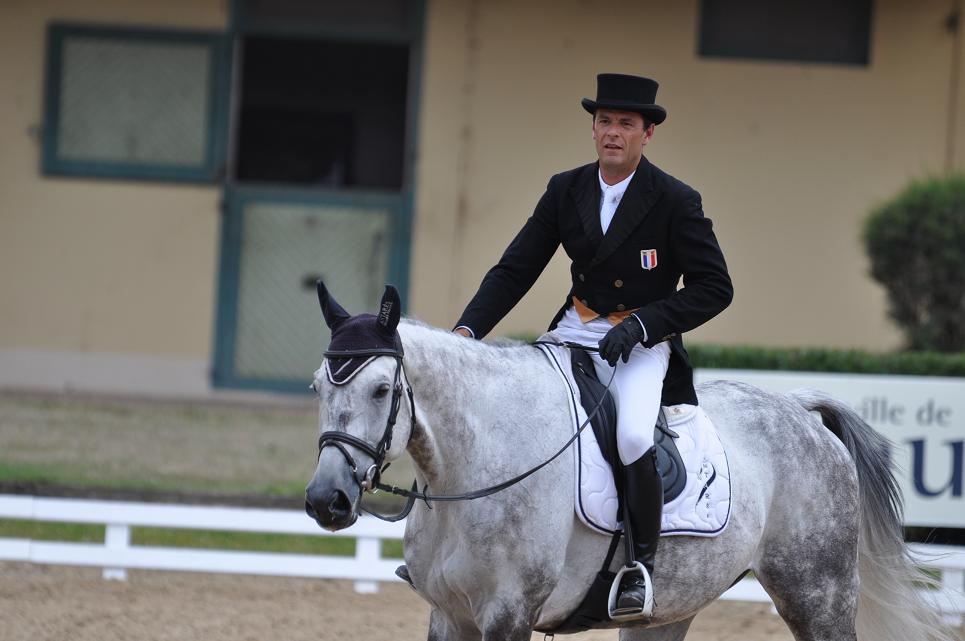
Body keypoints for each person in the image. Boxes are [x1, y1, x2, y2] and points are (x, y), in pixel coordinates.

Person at [453, 73, 733, 618]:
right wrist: (467, 333)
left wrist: (647, 324)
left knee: (631, 435)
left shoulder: (675, 200)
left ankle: (640, 568)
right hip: (573, 330)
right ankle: (471, 553)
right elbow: (516, 268)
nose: (612, 132)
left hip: (640, 342)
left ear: (647, 134)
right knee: (519, 417)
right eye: (604, 121)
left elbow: (715, 288)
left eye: (625, 123)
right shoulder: (567, 188)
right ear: (593, 127)